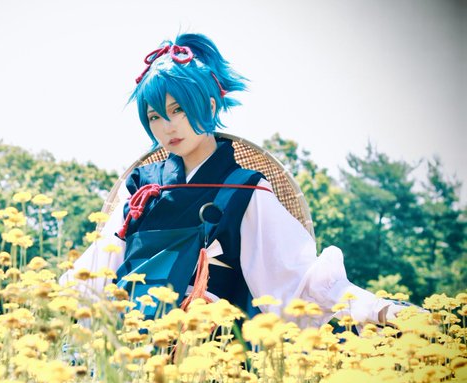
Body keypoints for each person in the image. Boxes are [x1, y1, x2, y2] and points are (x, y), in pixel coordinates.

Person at [64, 33, 405, 328]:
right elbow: (96, 271)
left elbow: (300, 278)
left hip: (215, 356)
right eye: (155, 116)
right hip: (135, 347)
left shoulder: (245, 189)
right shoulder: (141, 188)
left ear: (210, 105)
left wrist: (379, 309)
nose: (168, 126)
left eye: (178, 109)